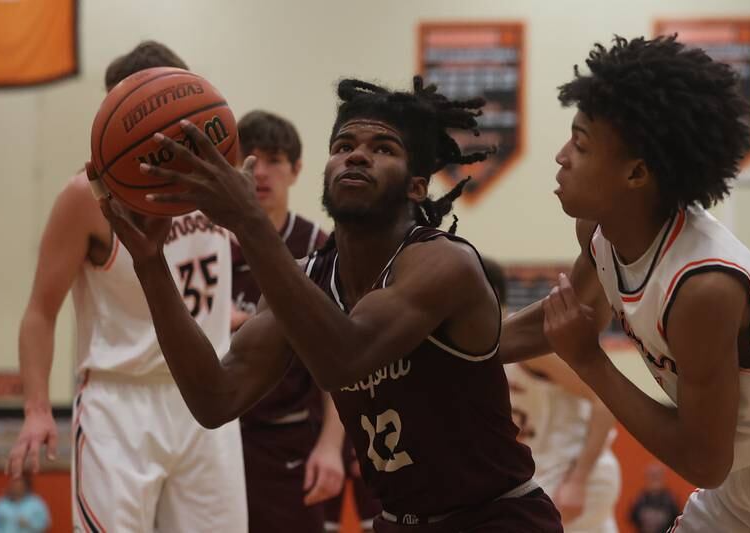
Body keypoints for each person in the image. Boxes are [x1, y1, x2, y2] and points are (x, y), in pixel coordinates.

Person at [95, 76, 563, 532]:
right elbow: (216, 398)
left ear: (416, 187)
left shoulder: (442, 263)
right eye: (343, 146)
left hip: (497, 518)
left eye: (383, 148)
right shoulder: (305, 276)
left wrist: (248, 221)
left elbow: (346, 359)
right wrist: (151, 265)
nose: (357, 154)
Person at [500, 35, 750, 532]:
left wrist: (588, 361)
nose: (561, 156)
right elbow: (559, 320)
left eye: (580, 144)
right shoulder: (601, 233)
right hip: (744, 471)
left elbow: (702, 462)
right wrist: (444, 350)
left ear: (637, 173)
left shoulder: (702, 287)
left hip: (733, 463)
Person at [7, 41, 247, 532]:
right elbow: (39, 311)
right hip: (121, 404)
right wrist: (35, 409)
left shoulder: (219, 180)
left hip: (207, 399)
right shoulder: (85, 196)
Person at [230, 110, 346, 532]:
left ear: (297, 170)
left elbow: (337, 357)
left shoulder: (317, 247)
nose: (259, 172)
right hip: (210, 436)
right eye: (249, 158)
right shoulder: (205, 242)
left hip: (288, 436)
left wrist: (331, 446)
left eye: (274, 160)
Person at [482, 258, 621, 532]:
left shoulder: (522, 345)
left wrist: (577, 480)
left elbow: (605, 401)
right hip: (541, 477)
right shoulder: (473, 353)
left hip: (572, 472)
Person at [630, 463, 680, 533]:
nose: (655, 482)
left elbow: (676, 521)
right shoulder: (640, 499)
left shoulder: (670, 501)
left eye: (657, 477)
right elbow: (632, 518)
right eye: (652, 477)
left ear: (662, 478)